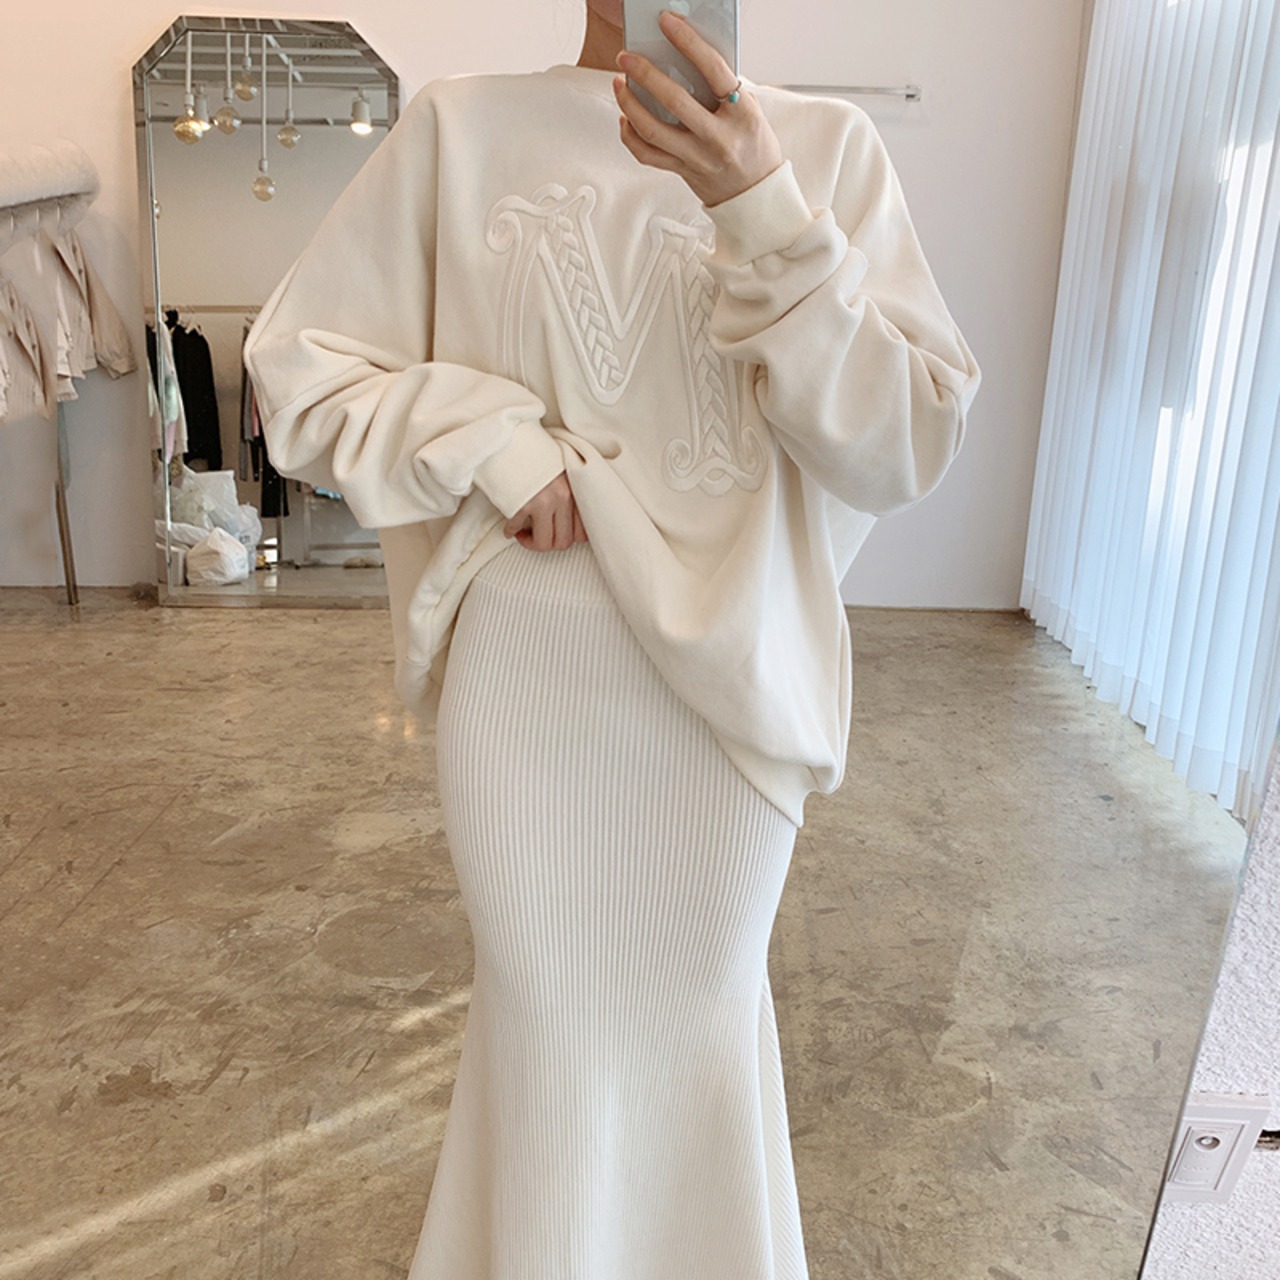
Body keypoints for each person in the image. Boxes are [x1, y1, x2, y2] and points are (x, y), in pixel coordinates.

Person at [243, 1, 980, 1275]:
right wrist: (496, 445)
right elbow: (298, 370)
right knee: (544, 1028)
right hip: (528, 682)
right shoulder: (461, 131)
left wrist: (760, 205)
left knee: (698, 1016)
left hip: (729, 703)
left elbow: (902, 440)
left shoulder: (825, 149)